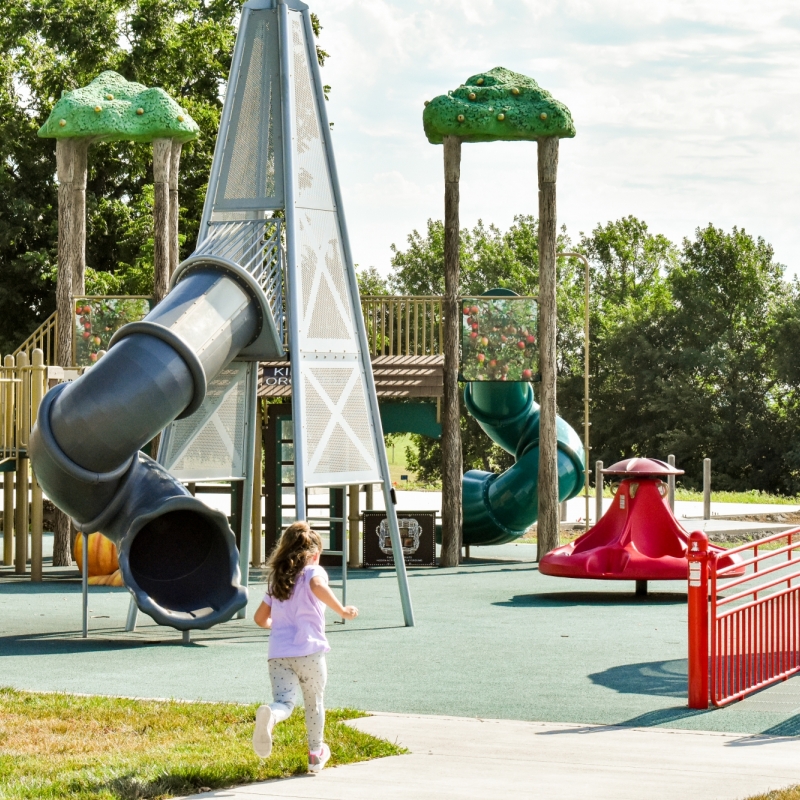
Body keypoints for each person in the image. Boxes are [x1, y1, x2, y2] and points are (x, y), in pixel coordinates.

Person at [252, 521, 358, 774]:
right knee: (314, 702)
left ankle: (272, 716)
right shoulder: (313, 571)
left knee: (284, 702)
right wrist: (342, 610)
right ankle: (315, 753)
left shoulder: (277, 580)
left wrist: (276, 628)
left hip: (278, 654)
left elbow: (259, 619)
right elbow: (318, 586)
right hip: (309, 651)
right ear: (314, 554)